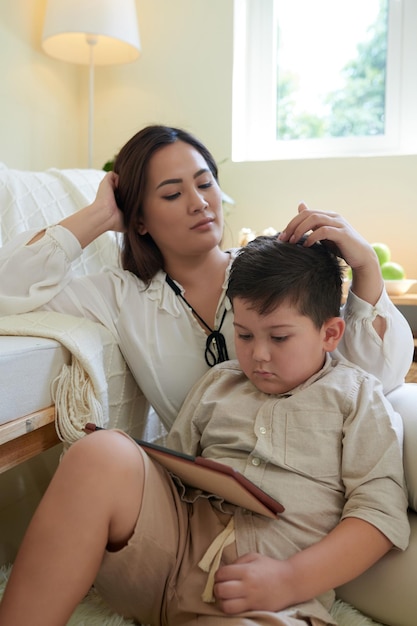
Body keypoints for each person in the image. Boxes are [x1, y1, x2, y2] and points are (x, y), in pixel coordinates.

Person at [0, 236, 409, 625]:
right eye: (244, 335)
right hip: (164, 560)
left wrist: (290, 580)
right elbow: (171, 472)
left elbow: (378, 515)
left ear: (330, 333)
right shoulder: (220, 382)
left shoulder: (356, 397)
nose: (258, 355)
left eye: (280, 337)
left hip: (266, 594)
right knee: (100, 452)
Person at [0, 125, 413, 433]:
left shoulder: (271, 271)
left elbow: (380, 377)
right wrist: (100, 217)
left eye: (204, 183)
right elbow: (8, 290)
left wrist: (367, 268)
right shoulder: (120, 295)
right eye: (172, 194)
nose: (199, 203)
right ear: (139, 220)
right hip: (202, 489)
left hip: (305, 478)